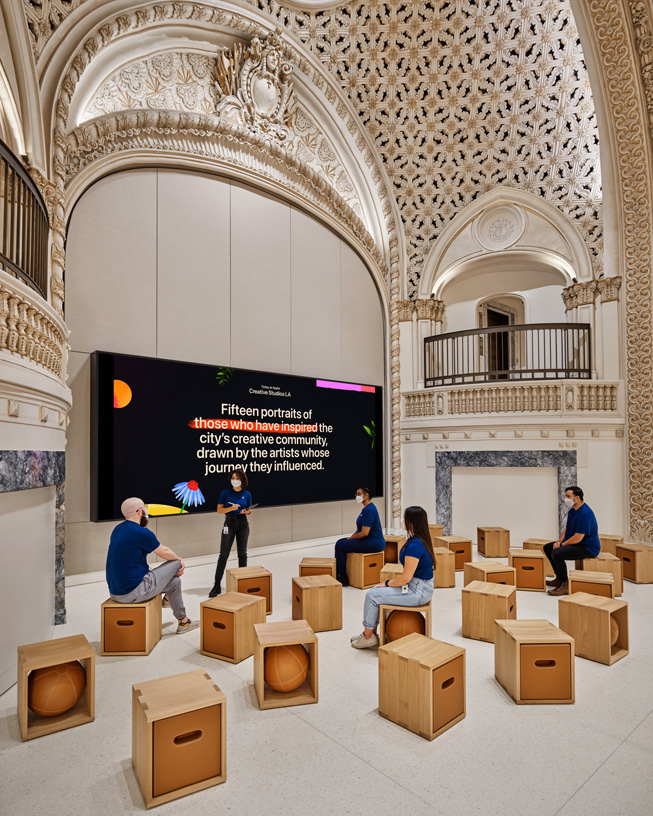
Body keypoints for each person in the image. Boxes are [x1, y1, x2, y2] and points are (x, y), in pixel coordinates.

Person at [106, 497, 199, 632]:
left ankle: (184, 622)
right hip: (133, 592)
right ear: (139, 511)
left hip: (116, 592)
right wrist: (180, 560)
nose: (146, 511)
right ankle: (167, 600)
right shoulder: (141, 532)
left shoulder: (118, 529)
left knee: (175, 583)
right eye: (145, 508)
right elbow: (164, 552)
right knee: (176, 563)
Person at [351, 505, 435, 649]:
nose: (402, 520)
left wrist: (388, 583)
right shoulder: (417, 540)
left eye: (404, 518)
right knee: (374, 591)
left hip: (417, 591)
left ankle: (368, 636)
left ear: (412, 522)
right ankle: (370, 633)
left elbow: (405, 579)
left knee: (372, 595)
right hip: (418, 586)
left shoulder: (415, 546)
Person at [544, 485, 601, 596]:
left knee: (557, 553)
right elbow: (567, 529)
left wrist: (562, 545)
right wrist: (558, 542)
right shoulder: (572, 511)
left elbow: (578, 537)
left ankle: (565, 584)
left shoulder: (585, 513)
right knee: (548, 547)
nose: (566, 499)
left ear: (577, 498)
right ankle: (559, 578)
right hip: (577, 544)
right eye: (565, 496)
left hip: (588, 547)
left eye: (568, 496)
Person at [209, 469, 253, 597]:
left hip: (243, 524)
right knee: (223, 555)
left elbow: (249, 509)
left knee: (242, 554)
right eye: (233, 478)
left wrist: (247, 511)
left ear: (242, 480)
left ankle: (242, 581)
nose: (235, 480)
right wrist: (231, 508)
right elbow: (219, 510)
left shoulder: (247, 494)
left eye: (237, 478)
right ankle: (217, 585)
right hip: (229, 523)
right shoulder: (225, 492)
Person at [335, 487, 386, 586]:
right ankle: (337, 573)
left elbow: (364, 533)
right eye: (356, 494)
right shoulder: (366, 508)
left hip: (374, 543)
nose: (357, 496)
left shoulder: (369, 510)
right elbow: (360, 529)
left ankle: (343, 577)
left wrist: (351, 539)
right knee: (341, 542)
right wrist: (350, 538)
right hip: (368, 540)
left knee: (340, 545)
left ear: (366, 495)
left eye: (359, 494)